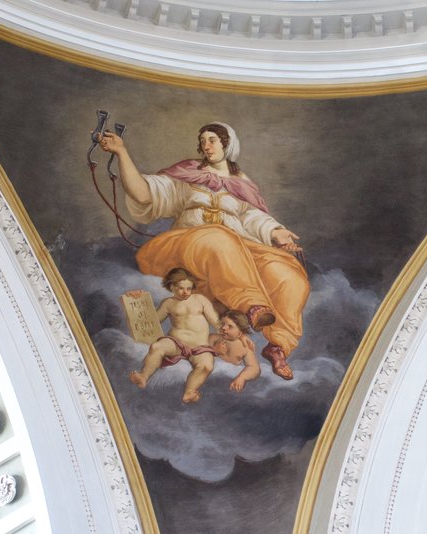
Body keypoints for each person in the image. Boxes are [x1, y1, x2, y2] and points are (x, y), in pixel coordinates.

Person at [99, 122, 309, 380]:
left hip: (236, 249)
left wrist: (277, 232)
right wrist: (121, 153)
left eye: (212, 140)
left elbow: (253, 218)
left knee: (288, 274)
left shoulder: (241, 184)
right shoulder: (188, 176)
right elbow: (144, 193)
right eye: (203, 141)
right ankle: (252, 306)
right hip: (186, 245)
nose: (205, 146)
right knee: (219, 238)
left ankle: (279, 345)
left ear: (227, 144)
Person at [129, 268, 219, 403]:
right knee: (157, 347)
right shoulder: (168, 303)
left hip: (200, 347)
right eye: (181, 288)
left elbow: (215, 321)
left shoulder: (200, 299)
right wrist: (137, 301)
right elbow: (153, 322)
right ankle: (143, 376)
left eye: (189, 288)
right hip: (176, 343)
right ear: (172, 287)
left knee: (206, 366)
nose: (185, 292)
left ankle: (189, 392)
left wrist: (235, 335)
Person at [208, 310, 261, 393]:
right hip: (211, 375)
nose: (223, 328)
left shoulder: (244, 347)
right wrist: (213, 350)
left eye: (230, 326)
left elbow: (254, 368)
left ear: (240, 333)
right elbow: (198, 353)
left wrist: (242, 377)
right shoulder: (214, 338)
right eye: (222, 324)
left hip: (229, 377)